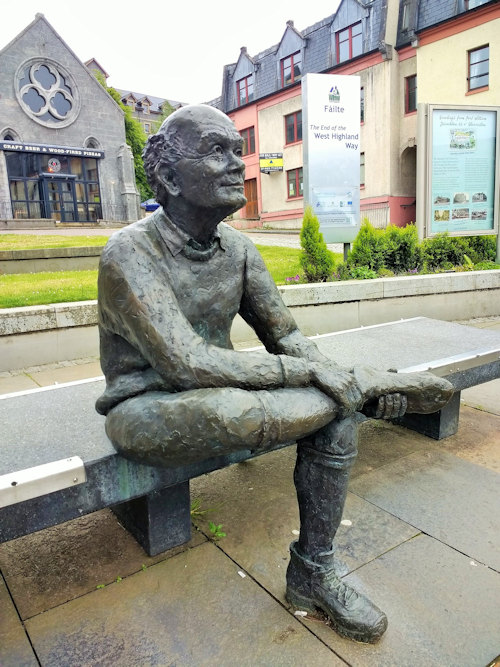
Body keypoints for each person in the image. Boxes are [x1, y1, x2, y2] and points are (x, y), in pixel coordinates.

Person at [96, 105, 452, 643]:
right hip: (146, 405)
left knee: (333, 416)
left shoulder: (238, 249)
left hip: (225, 389)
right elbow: (186, 362)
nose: (236, 164)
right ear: (169, 176)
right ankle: (368, 387)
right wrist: (334, 380)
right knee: (248, 408)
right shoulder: (127, 253)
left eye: (237, 152)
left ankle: (314, 571)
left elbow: (286, 337)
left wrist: (331, 376)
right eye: (218, 151)